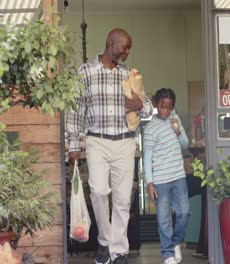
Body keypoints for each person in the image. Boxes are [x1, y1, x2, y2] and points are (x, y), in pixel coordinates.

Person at [67, 28, 153, 264]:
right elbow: (76, 109)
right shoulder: (86, 71)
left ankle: (118, 251)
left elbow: (149, 109)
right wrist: (74, 144)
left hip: (125, 142)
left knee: (124, 200)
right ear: (110, 43)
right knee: (98, 192)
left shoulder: (129, 75)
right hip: (96, 142)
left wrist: (140, 105)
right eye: (124, 47)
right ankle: (105, 240)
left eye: (129, 49)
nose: (127, 52)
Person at [143, 88, 190, 264]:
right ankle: (167, 253)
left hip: (179, 177)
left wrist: (178, 131)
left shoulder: (175, 119)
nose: (166, 111)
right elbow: (147, 158)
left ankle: (176, 242)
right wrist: (150, 183)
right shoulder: (150, 128)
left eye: (169, 108)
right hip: (161, 181)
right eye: (163, 107)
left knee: (184, 212)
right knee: (163, 219)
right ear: (156, 104)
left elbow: (185, 143)